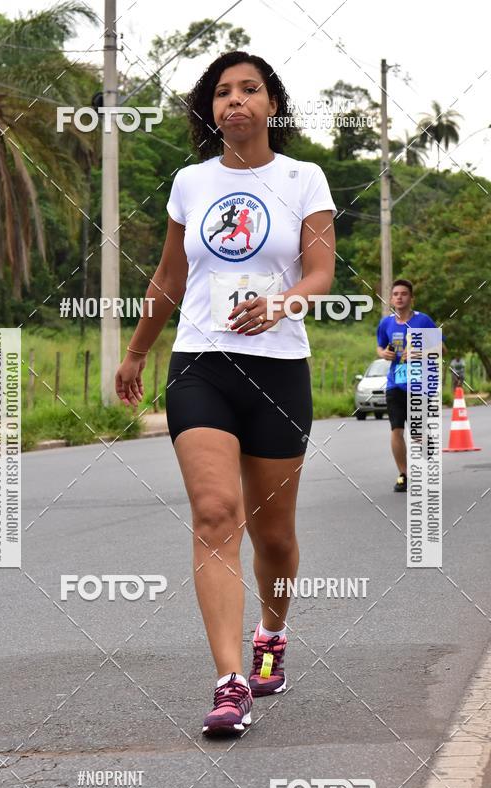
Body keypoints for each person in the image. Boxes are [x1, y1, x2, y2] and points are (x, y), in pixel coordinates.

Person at [115, 50, 336, 736]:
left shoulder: (304, 179)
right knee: (215, 513)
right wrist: (136, 350)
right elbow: (170, 276)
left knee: (274, 536)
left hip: (277, 370)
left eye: (249, 90)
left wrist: (283, 306)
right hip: (201, 363)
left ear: (273, 105)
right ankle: (229, 678)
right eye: (221, 93)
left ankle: (272, 631)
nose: (233, 101)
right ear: (210, 110)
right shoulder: (191, 181)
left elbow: (321, 272)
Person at [377, 279, 444, 492]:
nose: (399, 297)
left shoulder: (423, 321)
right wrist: (383, 353)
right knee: (396, 430)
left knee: (416, 433)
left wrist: (419, 353)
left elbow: (442, 349)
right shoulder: (386, 323)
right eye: (395, 294)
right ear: (391, 298)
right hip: (394, 382)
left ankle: (426, 443)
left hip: (418, 384)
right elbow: (379, 347)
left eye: (404, 294)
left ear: (411, 298)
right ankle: (404, 474)